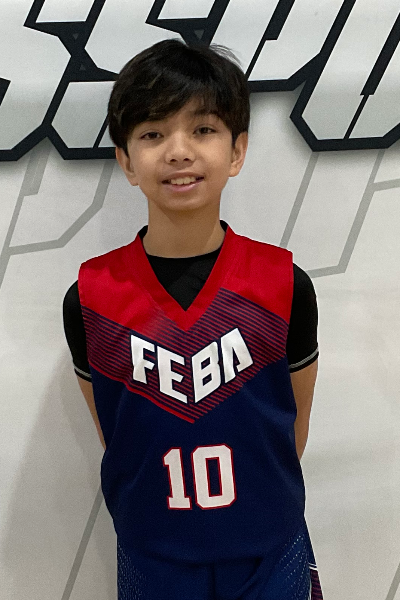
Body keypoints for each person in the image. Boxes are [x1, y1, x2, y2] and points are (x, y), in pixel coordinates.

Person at [63, 38, 323, 600]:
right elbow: (117, 433)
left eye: (203, 129)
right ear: (125, 160)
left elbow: (292, 425)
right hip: (154, 555)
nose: (178, 151)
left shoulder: (284, 284)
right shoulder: (90, 297)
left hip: (270, 548)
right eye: (153, 134)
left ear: (237, 151)